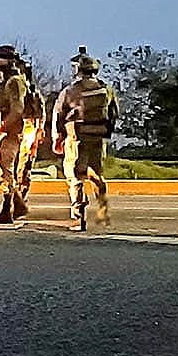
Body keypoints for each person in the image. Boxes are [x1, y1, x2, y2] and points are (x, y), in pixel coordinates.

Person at [51, 47, 119, 232]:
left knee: (74, 176)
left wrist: (57, 137)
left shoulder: (71, 91)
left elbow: (58, 114)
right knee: (96, 173)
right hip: (97, 137)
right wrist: (106, 131)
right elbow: (114, 113)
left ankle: (78, 217)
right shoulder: (106, 89)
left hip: (76, 138)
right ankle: (103, 208)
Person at [0, 44, 28, 224]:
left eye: (1, 59)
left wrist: (1, 128)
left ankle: (7, 210)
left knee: (4, 170)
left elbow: (17, 110)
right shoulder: (7, 81)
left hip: (11, 133)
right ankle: (18, 204)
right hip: (5, 132)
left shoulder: (15, 82)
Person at [14, 55, 46, 207]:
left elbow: (40, 114)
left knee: (24, 165)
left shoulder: (32, 93)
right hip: (12, 130)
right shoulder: (10, 88)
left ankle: (20, 197)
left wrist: (38, 131)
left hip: (28, 129)